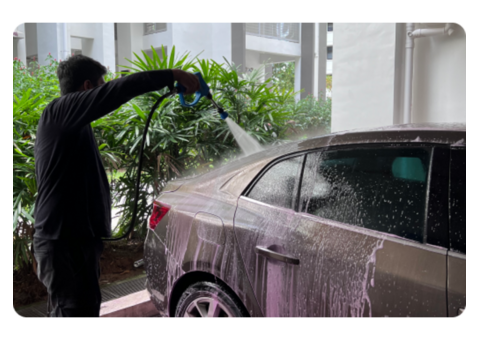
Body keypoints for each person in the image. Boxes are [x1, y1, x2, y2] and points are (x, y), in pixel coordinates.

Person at [33, 55, 200, 318]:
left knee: (82, 308)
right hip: (62, 243)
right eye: (102, 84)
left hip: (75, 242)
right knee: (72, 311)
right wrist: (172, 75)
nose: (106, 88)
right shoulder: (59, 112)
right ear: (88, 87)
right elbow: (119, 89)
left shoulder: (72, 123)